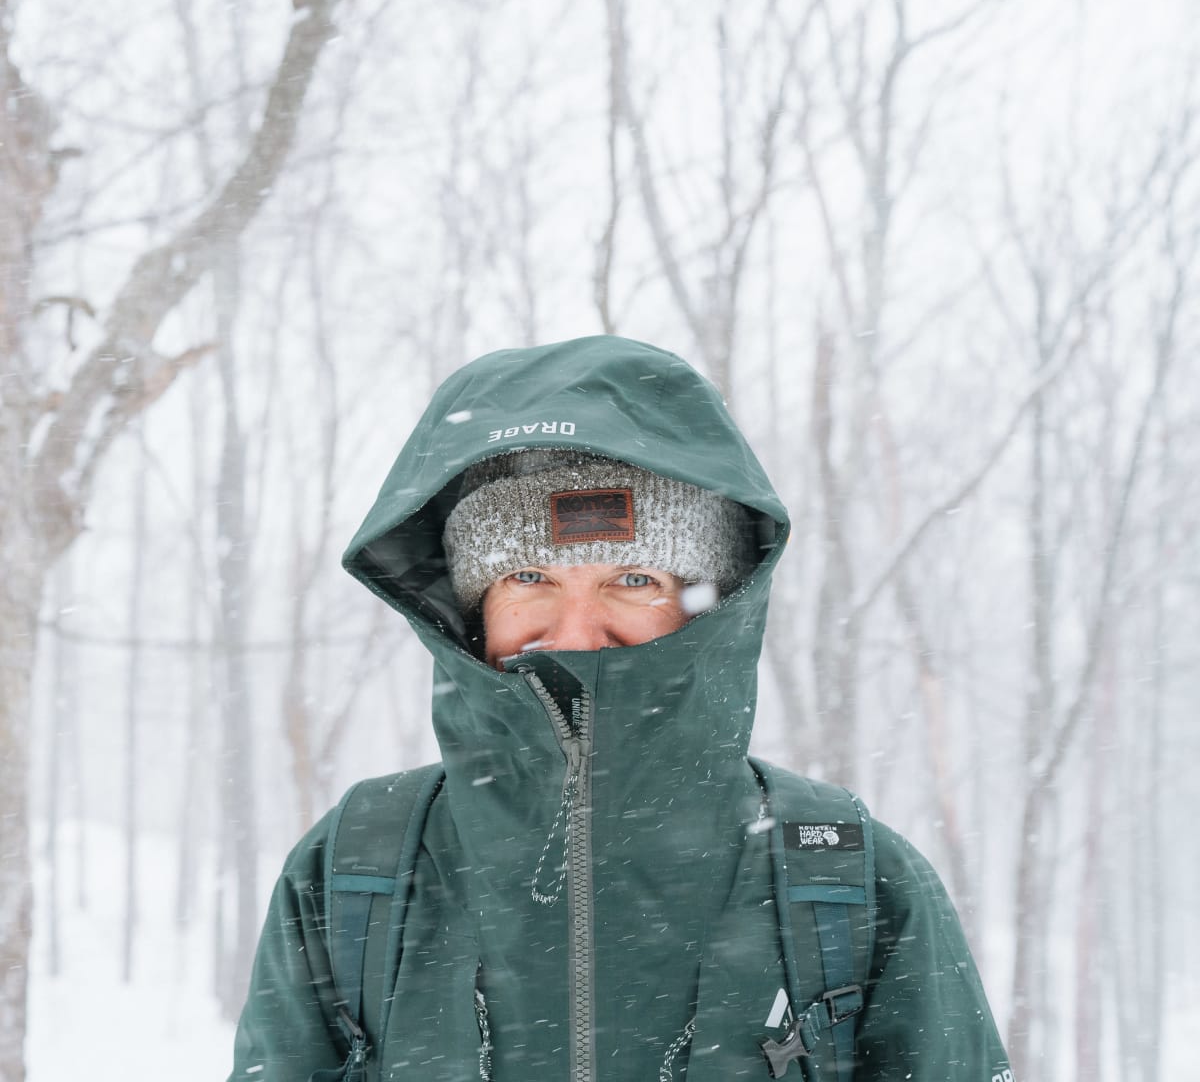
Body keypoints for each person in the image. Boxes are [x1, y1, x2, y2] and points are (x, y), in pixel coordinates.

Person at [229, 335, 1013, 1081]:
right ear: (473, 607)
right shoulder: (354, 870)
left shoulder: (849, 881)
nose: (576, 633)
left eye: (633, 580)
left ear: (708, 604)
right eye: (529, 578)